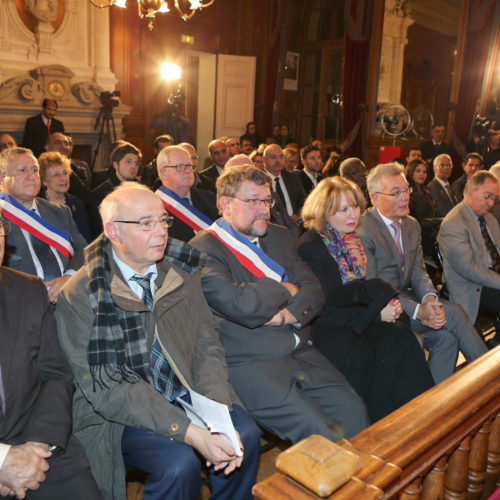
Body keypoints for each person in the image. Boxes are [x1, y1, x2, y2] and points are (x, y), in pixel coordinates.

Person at [55, 182, 261, 500]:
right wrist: (190, 431)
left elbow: (207, 343)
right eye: (145, 223)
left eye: (163, 220)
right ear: (113, 231)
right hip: (119, 416)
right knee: (178, 464)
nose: (161, 231)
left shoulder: (179, 269)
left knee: (244, 434)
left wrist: (216, 406)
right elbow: (109, 391)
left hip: (185, 388)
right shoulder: (83, 294)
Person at [190, 165, 369, 443]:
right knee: (321, 432)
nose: (264, 209)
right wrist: (286, 287)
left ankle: (358, 484)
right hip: (253, 363)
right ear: (226, 204)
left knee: (354, 412)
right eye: (253, 201)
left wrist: (288, 315)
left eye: (267, 200)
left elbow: (314, 290)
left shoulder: (281, 235)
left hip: (301, 351)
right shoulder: (203, 249)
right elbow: (242, 304)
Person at [297, 177, 434, 422]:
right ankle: (392, 425)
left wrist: (385, 305)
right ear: (324, 211)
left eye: (356, 207)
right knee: (389, 348)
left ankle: (419, 420)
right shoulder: (310, 247)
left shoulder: (350, 239)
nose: (353, 215)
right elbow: (322, 312)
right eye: (343, 209)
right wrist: (375, 315)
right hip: (330, 330)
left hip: (355, 320)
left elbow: (360, 290)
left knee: (402, 339)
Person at [0, 210, 103, 500]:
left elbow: (56, 374)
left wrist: (37, 446)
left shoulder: (28, 290)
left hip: (37, 438)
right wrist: (3, 460)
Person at [358, 162, 487, 383]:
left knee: (446, 339)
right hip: (380, 308)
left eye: (406, 190)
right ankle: (492, 381)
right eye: (396, 192)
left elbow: (418, 271)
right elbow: (374, 287)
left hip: (406, 298)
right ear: (375, 197)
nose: (405, 197)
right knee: (454, 314)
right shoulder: (364, 230)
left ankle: (433, 408)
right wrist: (419, 311)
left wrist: (429, 299)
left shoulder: (411, 224)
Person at [0, 147, 86, 304]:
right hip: (19, 306)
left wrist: (69, 277)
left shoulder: (60, 212)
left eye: (34, 170)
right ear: (2, 178)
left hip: (67, 303)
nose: (31, 176)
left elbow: (84, 251)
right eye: (22, 170)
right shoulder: (2, 215)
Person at [437, 171, 500, 344]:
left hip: (490, 277)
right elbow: (469, 269)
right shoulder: (454, 223)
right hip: (471, 286)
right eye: (487, 196)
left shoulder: (489, 218)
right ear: (470, 192)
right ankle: (491, 354)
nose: (491, 203)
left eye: (495, 198)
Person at [155, 146, 218, 242]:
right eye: (180, 166)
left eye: (189, 165)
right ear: (164, 172)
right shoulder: (154, 206)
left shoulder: (210, 198)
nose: (188, 170)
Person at [88, 142, 141, 238]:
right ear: (115, 165)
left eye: (136, 163)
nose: (133, 166)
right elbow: (97, 230)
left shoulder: (142, 190)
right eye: (128, 161)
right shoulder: (99, 194)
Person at [38, 152, 91, 243]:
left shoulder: (77, 203)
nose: (63, 178)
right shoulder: (37, 206)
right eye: (56, 175)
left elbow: (85, 238)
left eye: (65, 173)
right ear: (44, 181)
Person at [405, 159, 441, 263]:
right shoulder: (408, 195)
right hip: (418, 240)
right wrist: (439, 220)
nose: (422, 174)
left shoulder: (427, 193)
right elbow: (416, 221)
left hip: (431, 239)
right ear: (410, 172)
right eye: (418, 171)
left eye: (424, 172)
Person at [263, 144, 305, 222]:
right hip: (272, 227)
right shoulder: (260, 180)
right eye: (273, 157)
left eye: (281, 157)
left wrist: (297, 215)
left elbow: (303, 200)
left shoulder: (292, 177)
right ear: (264, 160)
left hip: (295, 224)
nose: (278, 161)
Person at [45, 132, 89, 201]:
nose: (64, 147)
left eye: (66, 143)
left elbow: (85, 195)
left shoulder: (80, 169)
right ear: (47, 147)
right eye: (58, 143)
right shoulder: (38, 167)